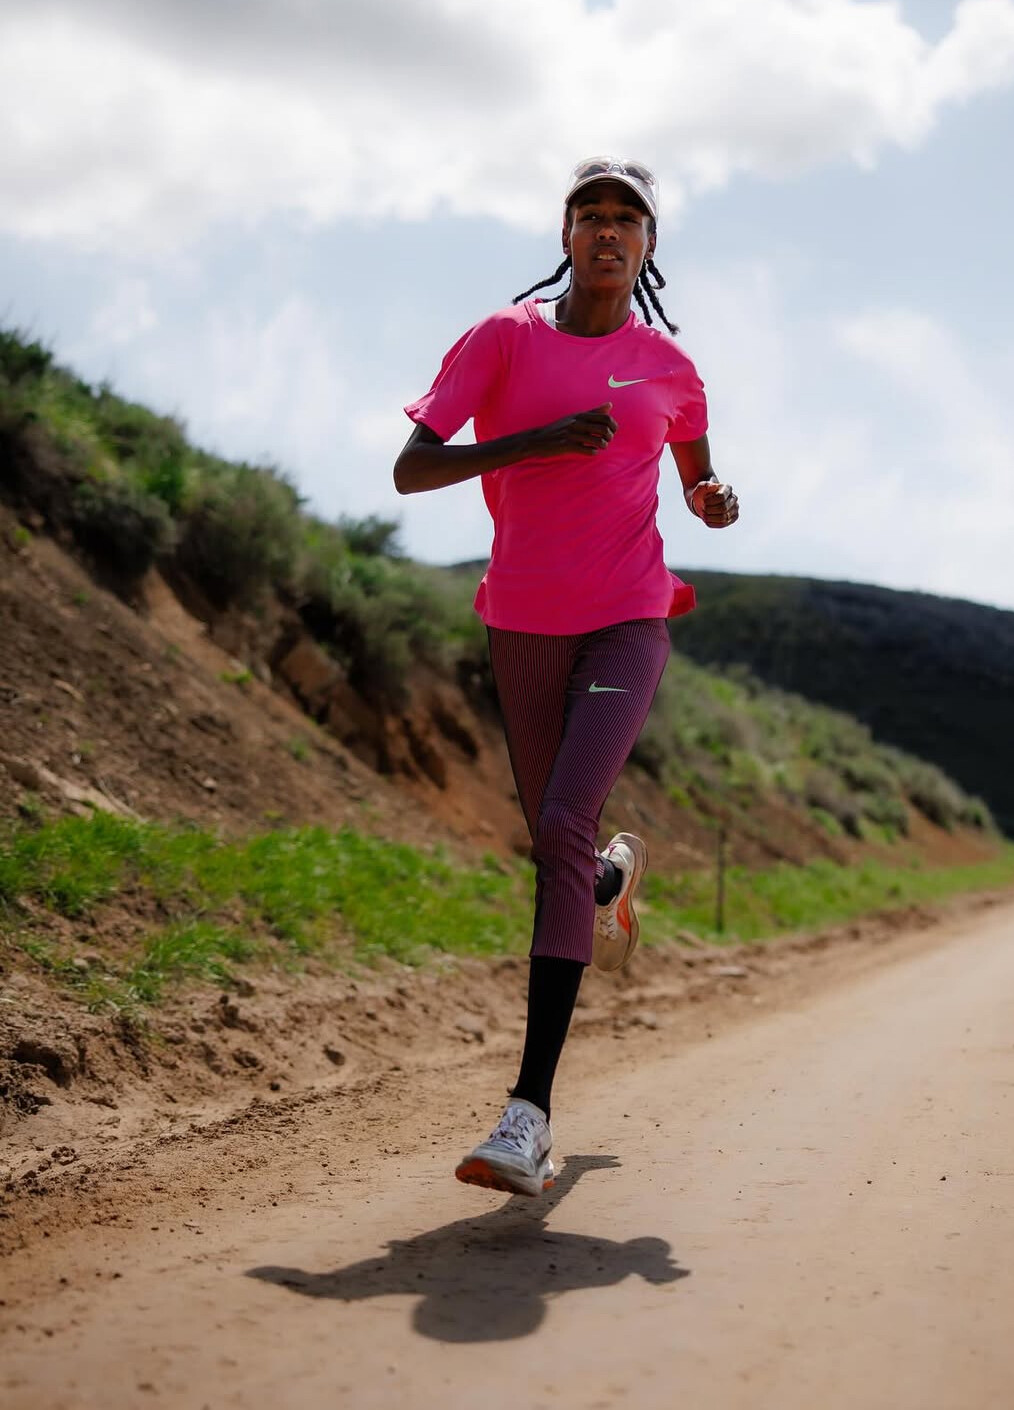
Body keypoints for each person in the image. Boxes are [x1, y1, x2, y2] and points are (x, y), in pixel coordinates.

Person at [394, 156, 739, 1196]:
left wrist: (715, 498)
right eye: (590, 214)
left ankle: (528, 1117)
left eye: (627, 217)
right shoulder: (502, 340)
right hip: (522, 620)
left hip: (629, 616)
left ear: (648, 245)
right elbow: (412, 469)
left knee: (560, 820)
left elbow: (697, 474)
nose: (608, 229)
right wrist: (536, 440)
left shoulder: (668, 367)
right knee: (558, 844)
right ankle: (607, 883)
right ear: (566, 236)